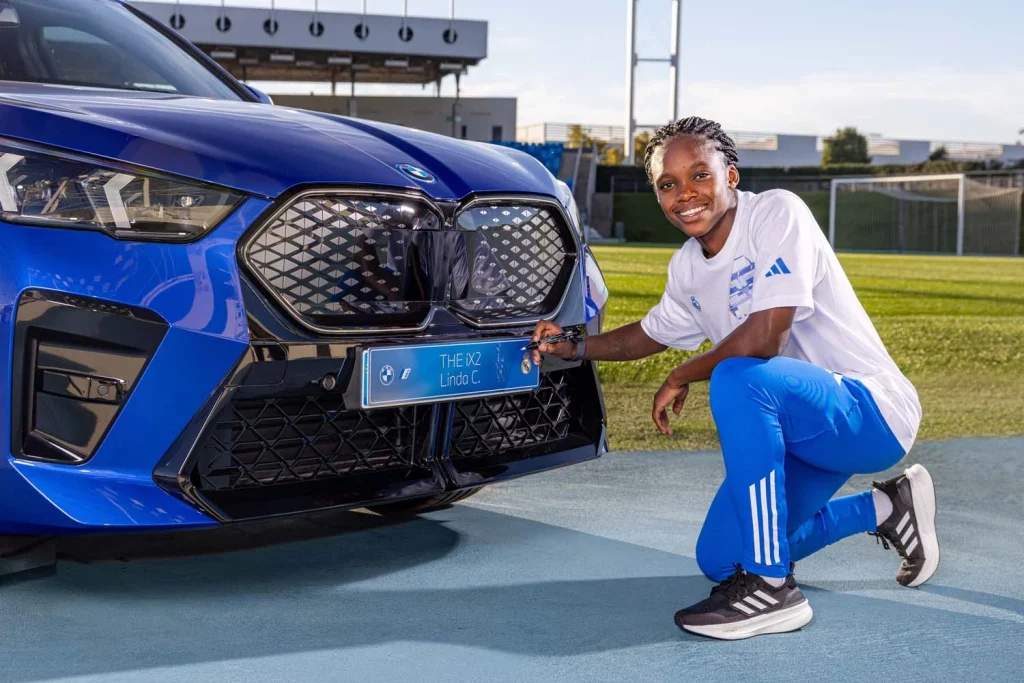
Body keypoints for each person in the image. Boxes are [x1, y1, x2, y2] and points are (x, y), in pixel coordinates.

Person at [530, 116, 938, 641]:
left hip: (870, 412)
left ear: (732, 176)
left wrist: (682, 373)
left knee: (737, 378)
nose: (686, 194)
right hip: (803, 435)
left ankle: (772, 589)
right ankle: (887, 508)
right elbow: (647, 334)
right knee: (720, 558)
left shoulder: (776, 214)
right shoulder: (687, 267)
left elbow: (766, 335)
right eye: (668, 184)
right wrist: (573, 344)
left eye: (700, 175)